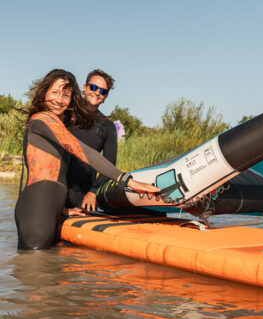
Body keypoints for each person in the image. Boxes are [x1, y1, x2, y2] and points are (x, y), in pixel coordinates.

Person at [15, 69, 160, 250]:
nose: (59, 100)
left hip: (50, 206)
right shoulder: (43, 120)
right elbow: (82, 150)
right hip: (39, 205)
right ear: (44, 92)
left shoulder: (63, 121)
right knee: (35, 264)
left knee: (46, 264)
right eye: (54, 92)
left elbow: (53, 169)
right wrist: (128, 181)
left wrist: (62, 209)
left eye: (65, 95)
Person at [66, 69, 117, 212]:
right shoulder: (65, 113)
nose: (97, 92)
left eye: (103, 91)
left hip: (84, 195)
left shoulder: (108, 126)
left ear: (106, 97)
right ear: (84, 88)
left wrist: (94, 191)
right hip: (58, 188)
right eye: (93, 87)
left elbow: (110, 163)